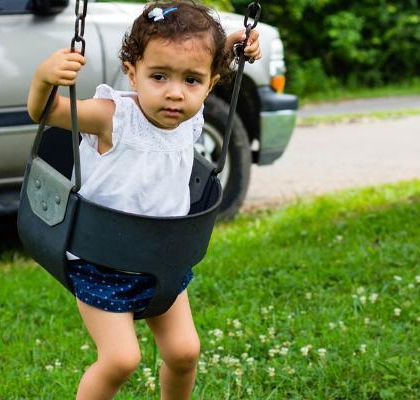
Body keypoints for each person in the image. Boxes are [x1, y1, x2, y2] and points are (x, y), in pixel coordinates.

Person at [27, 1, 261, 399]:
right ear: (132, 73)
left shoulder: (193, 115)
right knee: (121, 360)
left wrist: (237, 43)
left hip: (162, 259)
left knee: (185, 352)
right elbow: (45, 112)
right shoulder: (111, 117)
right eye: (158, 76)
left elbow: (209, 61)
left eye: (191, 81)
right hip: (101, 261)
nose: (174, 94)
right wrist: (44, 79)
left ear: (209, 83)